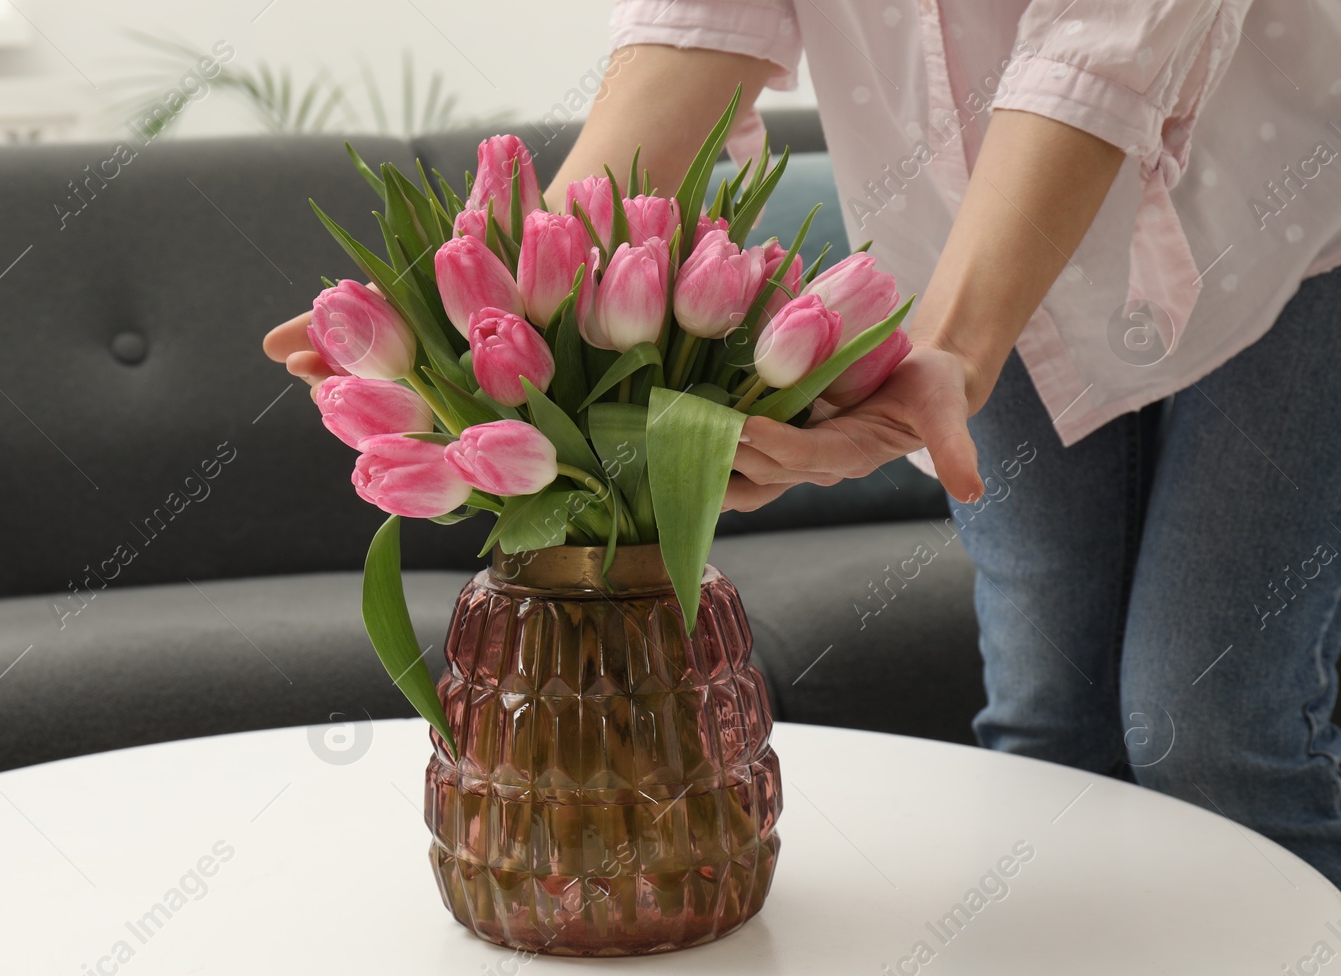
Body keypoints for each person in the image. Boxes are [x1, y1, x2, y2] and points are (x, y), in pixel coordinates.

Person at [266, 1, 1341, 887]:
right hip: (970, 237)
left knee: (1211, 727)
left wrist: (955, 348)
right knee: (1047, 719)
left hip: (1280, 218)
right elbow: (697, 30)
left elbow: (1097, 51)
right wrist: (502, 310)